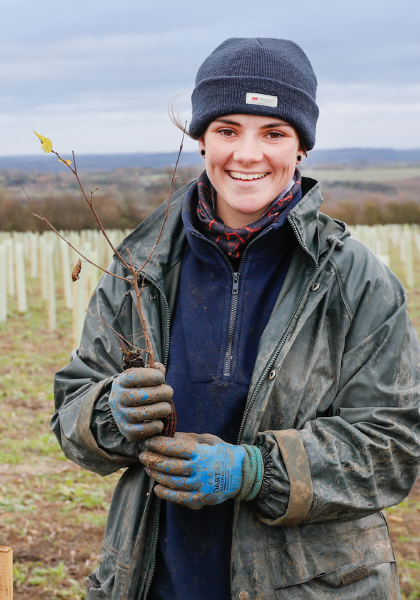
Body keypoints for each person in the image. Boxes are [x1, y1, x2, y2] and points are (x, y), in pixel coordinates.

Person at [52, 38, 420, 600]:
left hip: (313, 587)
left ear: (301, 148)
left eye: (273, 132)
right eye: (227, 130)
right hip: (156, 581)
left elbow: (392, 448)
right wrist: (110, 411)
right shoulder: (139, 267)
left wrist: (255, 471)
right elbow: (72, 410)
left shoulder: (355, 281)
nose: (247, 155)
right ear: (200, 141)